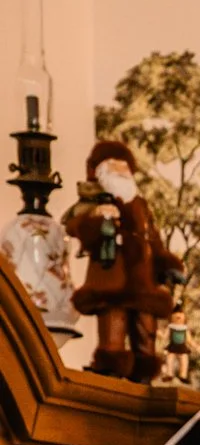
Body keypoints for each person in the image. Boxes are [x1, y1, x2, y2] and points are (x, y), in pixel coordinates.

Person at [61, 139, 182, 383]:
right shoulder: (92, 199)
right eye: (113, 165)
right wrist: (97, 218)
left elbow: (153, 240)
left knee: (145, 334)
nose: (119, 171)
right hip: (111, 280)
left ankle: (144, 376)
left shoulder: (139, 205)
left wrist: (168, 266)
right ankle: (110, 371)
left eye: (123, 166)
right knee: (113, 332)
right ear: (99, 170)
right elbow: (74, 225)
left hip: (143, 282)